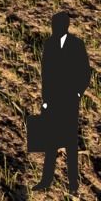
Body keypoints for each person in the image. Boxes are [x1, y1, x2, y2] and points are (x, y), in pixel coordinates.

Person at [42, 10, 91, 192]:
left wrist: (78, 93)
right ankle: (46, 180)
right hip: (53, 98)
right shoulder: (49, 44)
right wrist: (45, 99)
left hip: (70, 97)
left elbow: (85, 72)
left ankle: (73, 183)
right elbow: (46, 74)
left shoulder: (76, 44)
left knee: (70, 141)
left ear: (66, 26)